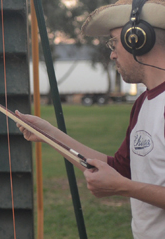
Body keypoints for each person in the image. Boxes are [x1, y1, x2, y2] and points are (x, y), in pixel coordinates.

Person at [15, 0, 165, 238]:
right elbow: (120, 169)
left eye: (114, 43)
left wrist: (122, 187)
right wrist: (49, 133)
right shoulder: (143, 103)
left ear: (138, 40)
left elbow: (122, 181)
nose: (112, 53)